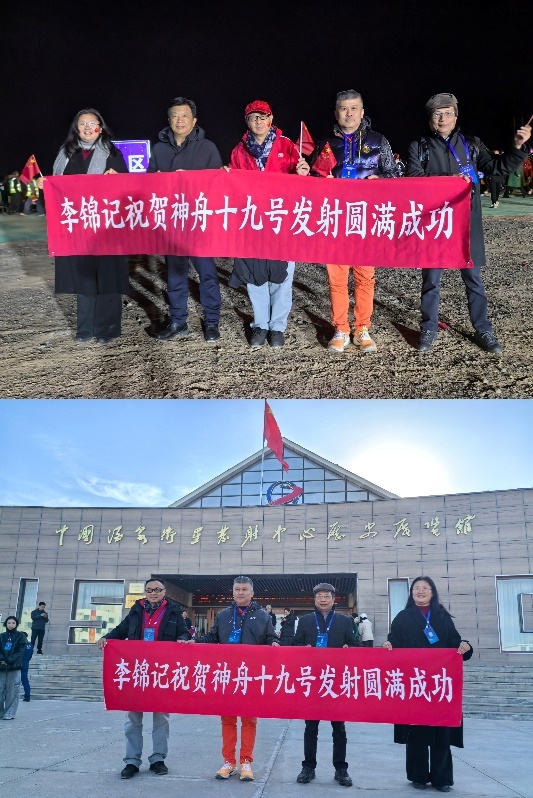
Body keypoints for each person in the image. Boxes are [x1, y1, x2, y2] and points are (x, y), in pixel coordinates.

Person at [406, 92, 531, 353]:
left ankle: (483, 329)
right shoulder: (419, 146)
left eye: (448, 112)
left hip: (466, 222)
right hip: (435, 222)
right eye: (437, 113)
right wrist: (450, 179)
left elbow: (497, 168)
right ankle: (428, 328)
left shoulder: (471, 144)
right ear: (430, 118)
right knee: (431, 281)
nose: (443, 118)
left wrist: (517, 147)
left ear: (456, 116)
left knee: (474, 279)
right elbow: (414, 178)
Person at [310, 90, 399, 354]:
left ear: (362, 112)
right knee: (336, 279)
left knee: (365, 277)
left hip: (366, 221)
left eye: (353, 108)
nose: (348, 114)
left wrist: (381, 183)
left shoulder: (378, 141)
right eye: (343, 109)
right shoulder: (325, 143)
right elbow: (313, 179)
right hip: (335, 221)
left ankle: (362, 328)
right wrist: (313, 178)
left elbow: (394, 175)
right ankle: (341, 329)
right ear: (336, 113)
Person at [228, 100, 310, 349]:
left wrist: (303, 172)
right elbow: (233, 187)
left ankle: (277, 327)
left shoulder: (288, 146)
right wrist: (226, 176)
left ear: (271, 119)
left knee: (282, 279)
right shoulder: (238, 151)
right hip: (253, 222)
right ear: (247, 122)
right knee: (256, 278)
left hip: (282, 221)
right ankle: (260, 324)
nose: (258, 121)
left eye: (263, 117)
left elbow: (302, 183)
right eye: (253, 118)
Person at [383, 576, 473, 793]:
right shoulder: (403, 617)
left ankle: (442, 778)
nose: (420, 591)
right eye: (416, 588)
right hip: (414, 683)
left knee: (441, 730)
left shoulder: (442, 616)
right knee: (417, 731)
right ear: (411, 593)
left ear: (432, 593)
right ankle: (418, 776)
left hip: (439, 682)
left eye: (425, 588)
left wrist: (465, 646)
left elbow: (455, 642)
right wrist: (388, 645)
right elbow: (393, 641)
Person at [97, 578, 190, 779]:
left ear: (164, 592)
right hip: (137, 670)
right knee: (133, 718)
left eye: (157, 590)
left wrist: (183, 639)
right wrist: (107, 638)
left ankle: (158, 759)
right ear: (145, 592)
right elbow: (121, 630)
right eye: (150, 590)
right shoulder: (136, 609)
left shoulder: (173, 611)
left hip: (161, 671)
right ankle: (131, 761)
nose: (153, 593)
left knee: (161, 718)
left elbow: (183, 632)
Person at [148, 97, 223, 343]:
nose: (180, 120)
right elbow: (148, 185)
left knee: (207, 275)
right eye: (175, 116)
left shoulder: (208, 148)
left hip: (199, 222)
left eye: (184, 116)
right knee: (175, 275)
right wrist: (157, 181)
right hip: (173, 223)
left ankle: (212, 321)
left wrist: (190, 179)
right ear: (169, 120)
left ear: (194, 120)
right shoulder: (159, 149)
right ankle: (178, 321)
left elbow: (218, 186)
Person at [52, 108, 129, 344]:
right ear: (76, 128)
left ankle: (106, 328)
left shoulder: (112, 153)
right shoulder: (66, 154)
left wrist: (116, 178)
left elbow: (127, 188)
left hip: (106, 228)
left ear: (100, 127)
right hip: (78, 228)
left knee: (107, 277)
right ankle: (85, 327)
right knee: (84, 277)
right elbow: (58, 187)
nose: (87, 128)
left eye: (92, 123)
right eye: (82, 124)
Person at [195, 576, 279, 781]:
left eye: (244, 589)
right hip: (227, 675)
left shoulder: (262, 616)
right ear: (232, 592)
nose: (240, 593)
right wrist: (192, 642)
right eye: (237, 589)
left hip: (251, 675)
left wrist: (274, 642)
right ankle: (228, 762)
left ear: (252, 593)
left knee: (249, 719)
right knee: (228, 719)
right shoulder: (224, 615)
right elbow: (212, 638)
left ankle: (246, 762)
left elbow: (270, 637)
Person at [293, 582, 356, 787]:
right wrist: (304, 648)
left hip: (336, 682)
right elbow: (294, 647)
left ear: (333, 598)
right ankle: (308, 767)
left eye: (326, 596)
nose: (323, 599)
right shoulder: (305, 621)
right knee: (311, 727)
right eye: (319, 596)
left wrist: (350, 648)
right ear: (314, 599)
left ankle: (341, 769)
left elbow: (356, 646)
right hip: (313, 682)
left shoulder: (345, 621)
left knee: (339, 728)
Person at [0, 616, 27, 719]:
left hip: (14, 667)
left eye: (13, 623)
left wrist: (9, 660)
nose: (11, 625)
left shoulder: (21, 636)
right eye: (9, 623)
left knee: (13, 691)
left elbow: (21, 651)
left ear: (16, 624)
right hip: (1, 667)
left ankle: (9, 713)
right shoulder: (1, 636)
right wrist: (2, 659)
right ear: (5, 624)